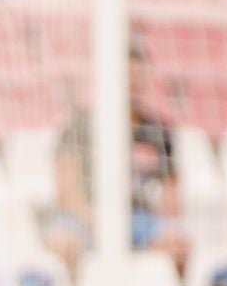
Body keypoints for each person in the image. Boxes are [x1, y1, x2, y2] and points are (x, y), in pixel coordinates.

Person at [45, 47, 186, 271]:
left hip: (138, 218)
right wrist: (101, 222)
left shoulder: (158, 130)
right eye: (127, 77)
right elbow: (66, 191)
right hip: (86, 216)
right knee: (63, 243)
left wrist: (152, 220)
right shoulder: (79, 124)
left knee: (177, 244)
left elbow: (171, 192)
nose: (132, 85)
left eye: (138, 78)